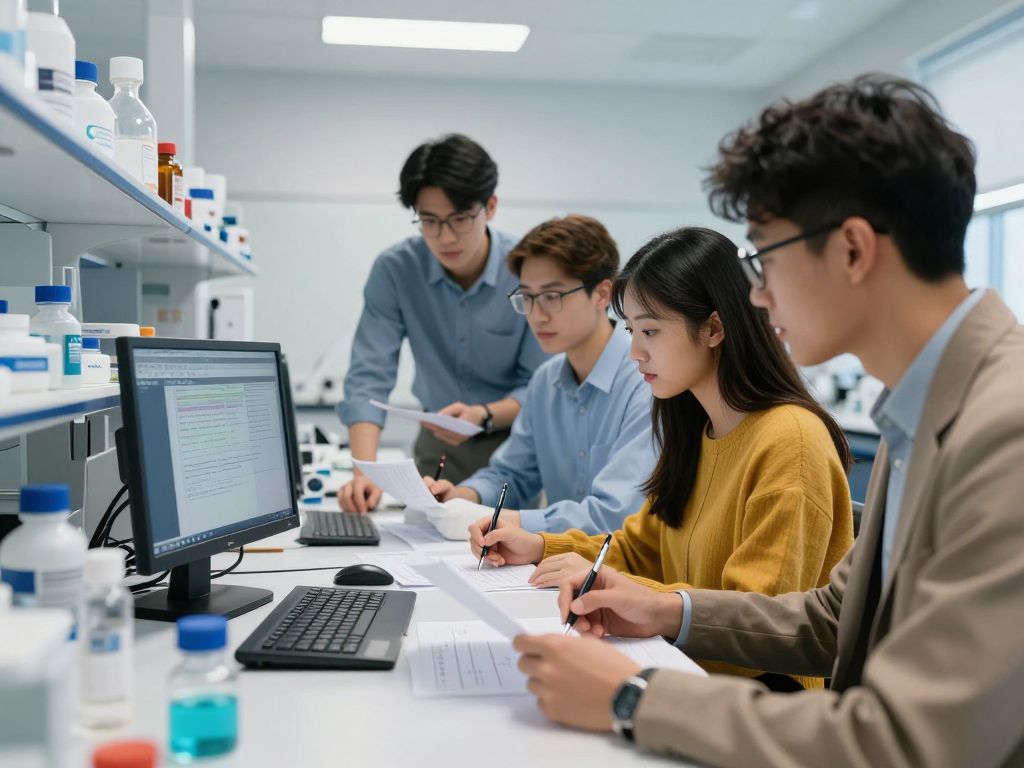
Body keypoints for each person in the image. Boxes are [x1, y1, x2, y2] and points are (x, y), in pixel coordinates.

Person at [512, 75, 1024, 768]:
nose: (756, 292)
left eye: (766, 257)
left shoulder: (1005, 427)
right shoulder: (924, 411)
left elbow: (913, 741)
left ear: (852, 249)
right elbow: (831, 618)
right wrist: (666, 610)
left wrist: (634, 697)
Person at [473, 225, 854, 690]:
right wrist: (540, 547)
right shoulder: (695, 429)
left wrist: (636, 598)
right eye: (632, 330)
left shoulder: (790, 441)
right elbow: (639, 550)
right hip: (685, 672)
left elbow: (756, 626)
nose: (635, 352)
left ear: (714, 328)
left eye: (650, 330)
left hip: (757, 700)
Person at [338, 134, 546, 513]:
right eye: (429, 221)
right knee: (422, 540)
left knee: (504, 544)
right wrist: (364, 470)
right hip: (436, 448)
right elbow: (369, 376)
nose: (445, 237)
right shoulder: (396, 270)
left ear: (490, 207)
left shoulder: (528, 271)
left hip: (514, 447)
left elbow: (542, 383)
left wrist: (483, 415)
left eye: (460, 219)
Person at [424, 215, 655, 534]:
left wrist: (510, 521)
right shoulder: (545, 383)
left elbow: (616, 514)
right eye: (527, 298)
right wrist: (462, 497)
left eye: (552, 296)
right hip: (557, 559)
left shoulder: (646, 380)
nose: (536, 315)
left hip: (623, 563)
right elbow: (512, 475)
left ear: (603, 294)